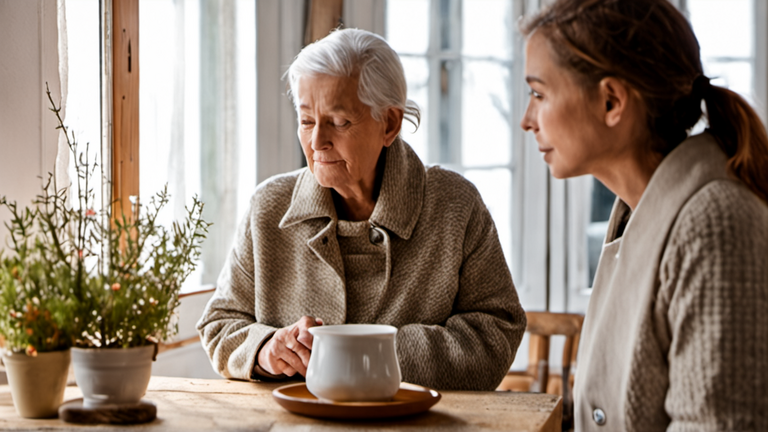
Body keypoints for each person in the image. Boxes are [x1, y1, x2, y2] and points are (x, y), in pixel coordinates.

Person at [196, 28, 526, 391]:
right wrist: (263, 349)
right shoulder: (268, 208)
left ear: (389, 123)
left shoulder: (454, 206)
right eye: (306, 121)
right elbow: (220, 323)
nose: (317, 141)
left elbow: (497, 331)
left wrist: (370, 354)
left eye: (338, 122)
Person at [520, 0, 768, 430]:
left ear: (612, 101)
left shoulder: (715, 225)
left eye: (540, 94)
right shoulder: (635, 213)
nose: (527, 119)